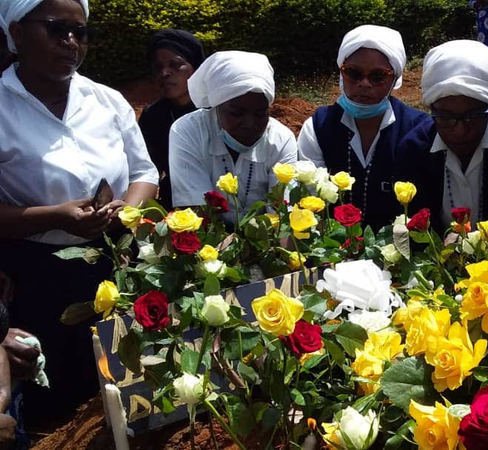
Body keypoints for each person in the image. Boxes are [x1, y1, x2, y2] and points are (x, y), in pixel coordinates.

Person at [0, 0, 159, 426]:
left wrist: (128, 209)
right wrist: (53, 216)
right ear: (16, 32)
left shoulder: (106, 101)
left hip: (116, 264)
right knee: (54, 397)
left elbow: (144, 171)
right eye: (56, 29)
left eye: (81, 32)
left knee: (119, 384)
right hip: (36, 276)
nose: (71, 42)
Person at [395, 40, 488, 245]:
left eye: (472, 117)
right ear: (432, 110)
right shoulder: (414, 149)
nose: (460, 130)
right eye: (446, 118)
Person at [297, 25, 427, 230]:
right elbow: (310, 203)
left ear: (395, 79)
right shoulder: (318, 127)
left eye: (378, 76)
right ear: (341, 72)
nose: (364, 84)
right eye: (354, 73)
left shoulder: (419, 130)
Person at [169, 50, 297, 216]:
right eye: (237, 113)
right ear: (216, 107)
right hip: (208, 235)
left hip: (267, 237)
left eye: (260, 114)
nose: (250, 124)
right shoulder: (188, 131)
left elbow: (282, 217)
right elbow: (196, 213)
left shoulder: (281, 139)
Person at [138, 29, 205, 210]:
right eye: (158, 67)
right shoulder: (153, 116)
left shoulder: (217, 111)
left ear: (196, 68)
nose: (165, 73)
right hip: (175, 207)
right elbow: (147, 170)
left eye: (175, 65)